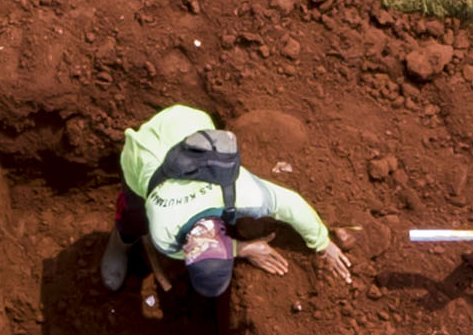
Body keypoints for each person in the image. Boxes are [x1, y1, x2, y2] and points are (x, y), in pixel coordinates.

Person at [106, 105, 344, 315]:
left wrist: (323, 244)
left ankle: (122, 238)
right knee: (132, 218)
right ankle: (121, 241)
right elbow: (180, 252)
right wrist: (244, 248)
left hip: (183, 125)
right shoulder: (163, 229)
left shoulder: (244, 192)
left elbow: (290, 204)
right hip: (151, 152)